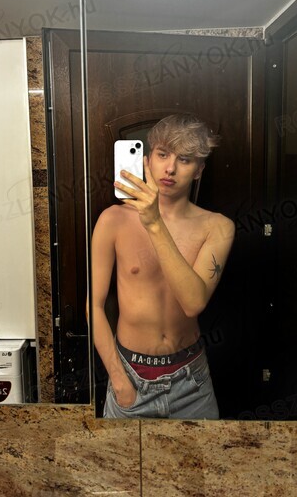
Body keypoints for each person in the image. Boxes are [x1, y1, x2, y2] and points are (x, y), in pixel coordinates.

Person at [91, 113, 235, 419]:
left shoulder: (217, 227)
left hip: (192, 381)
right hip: (130, 377)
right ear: (147, 160)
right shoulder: (112, 220)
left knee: (203, 453)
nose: (170, 168)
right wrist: (119, 381)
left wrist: (154, 222)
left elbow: (193, 303)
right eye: (163, 154)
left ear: (199, 170)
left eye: (184, 159)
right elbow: (94, 306)